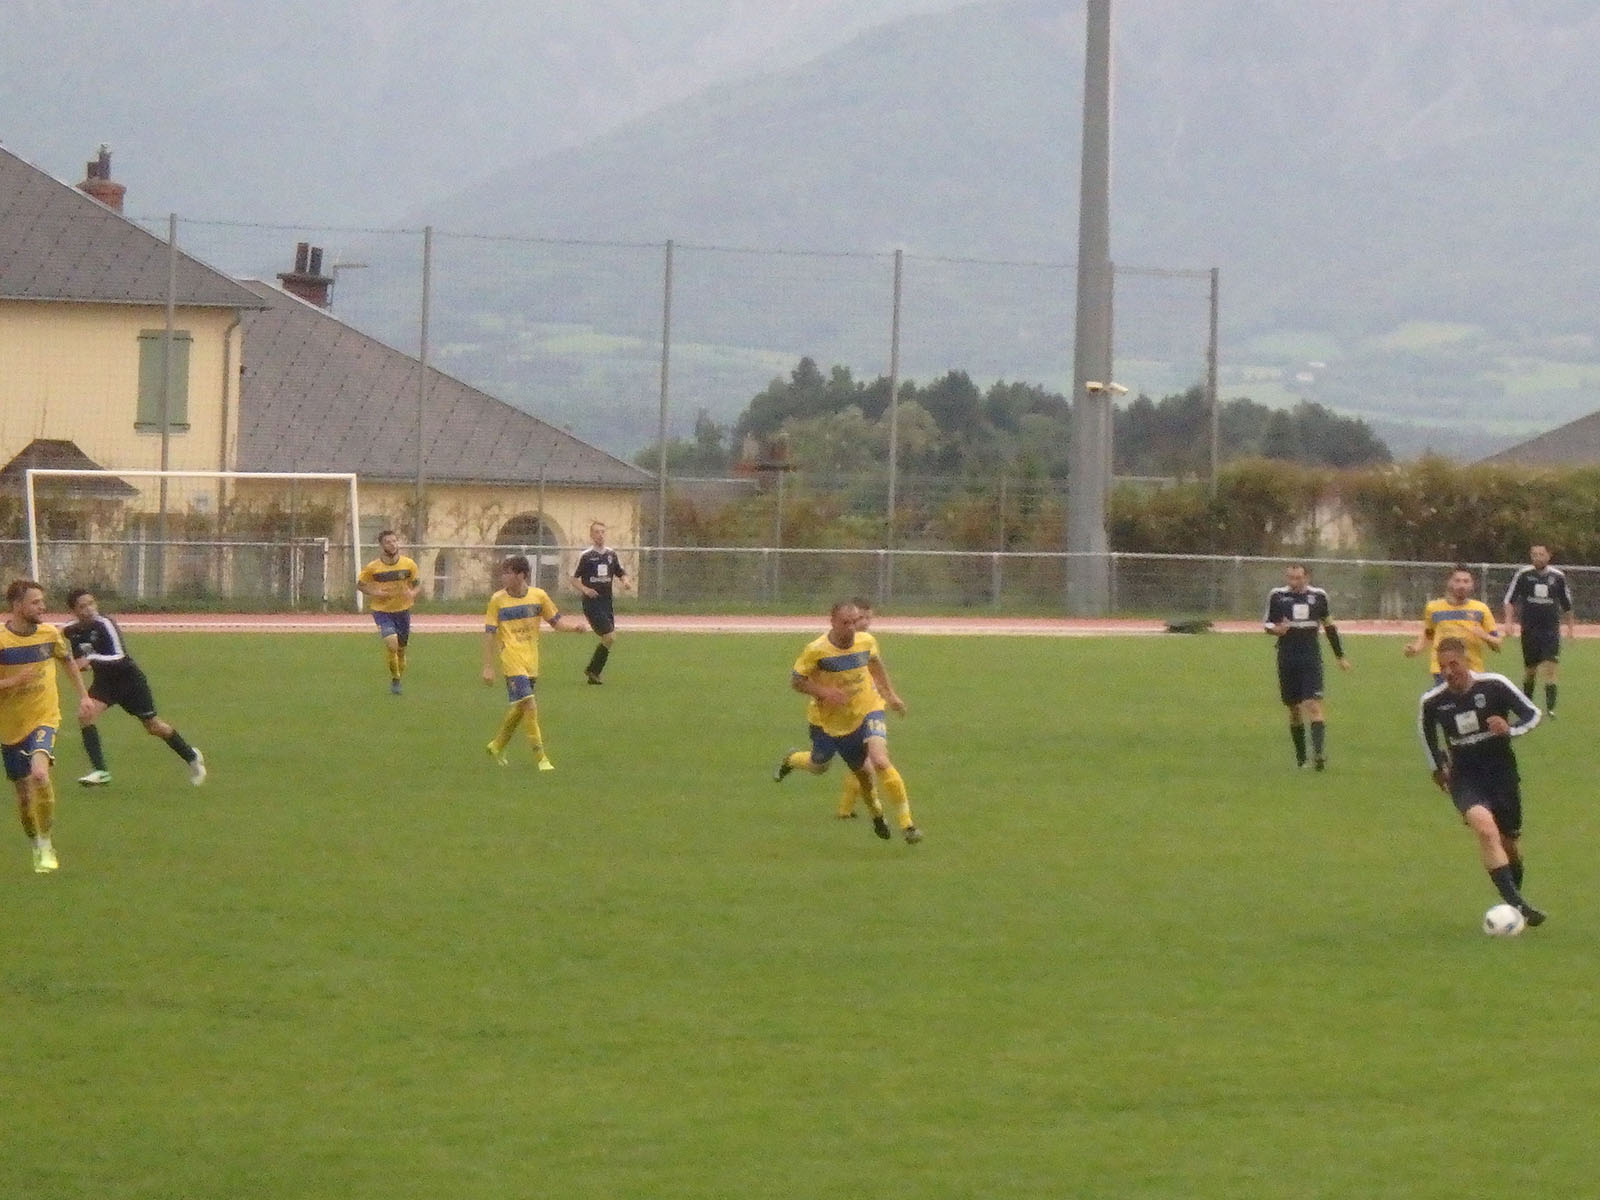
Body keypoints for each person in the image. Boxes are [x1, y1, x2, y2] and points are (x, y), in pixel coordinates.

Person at [1418, 636, 1546, 926]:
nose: (1448, 672)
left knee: (1509, 844)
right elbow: (1426, 735)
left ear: (1467, 660)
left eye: (1454, 664)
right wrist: (1437, 768)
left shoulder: (1494, 685)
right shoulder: (1433, 701)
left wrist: (1509, 729)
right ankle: (1520, 907)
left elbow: (1532, 714)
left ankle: (1512, 903)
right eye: (1442, 667)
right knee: (1486, 831)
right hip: (1465, 778)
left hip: (1502, 774)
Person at [774, 599, 921, 844]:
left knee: (879, 761)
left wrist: (890, 695)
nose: (852, 628)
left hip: (868, 709)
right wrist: (824, 692)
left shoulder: (866, 641)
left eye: (855, 622)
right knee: (820, 766)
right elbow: (796, 681)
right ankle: (791, 760)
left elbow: (876, 665)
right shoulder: (816, 650)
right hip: (832, 722)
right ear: (832, 621)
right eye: (845, 623)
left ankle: (907, 825)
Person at [62, 590, 206, 787]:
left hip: (130, 681)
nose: (89, 609)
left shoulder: (105, 624)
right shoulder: (71, 630)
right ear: (73, 611)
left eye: (91, 603)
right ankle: (101, 771)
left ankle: (192, 756)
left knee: (153, 726)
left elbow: (119, 656)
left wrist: (90, 659)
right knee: (85, 715)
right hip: (105, 683)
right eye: (82, 606)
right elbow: (78, 658)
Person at [0, 580, 92, 873]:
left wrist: (84, 696)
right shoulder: (2, 641)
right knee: (24, 798)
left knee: (40, 774)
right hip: (10, 725)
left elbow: (67, 661)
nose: (43, 607)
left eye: (42, 601)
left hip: (45, 717)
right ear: (17, 606)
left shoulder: (50, 634)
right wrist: (15, 681)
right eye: (35, 602)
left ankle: (46, 841)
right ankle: (36, 842)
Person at [483, 554, 588, 769]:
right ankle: (541, 758)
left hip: (531, 660)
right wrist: (488, 666)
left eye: (508, 573)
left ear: (521, 575)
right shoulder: (497, 600)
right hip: (511, 658)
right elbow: (490, 633)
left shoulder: (538, 596)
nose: (504, 577)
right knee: (530, 704)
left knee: (521, 707)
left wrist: (574, 628)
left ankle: (497, 745)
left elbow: (556, 623)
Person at [1263, 564, 1352, 770]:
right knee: (1294, 709)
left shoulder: (1319, 597)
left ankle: (1318, 754)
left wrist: (1340, 656)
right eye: (1290, 578)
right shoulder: (1277, 596)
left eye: (1298, 578)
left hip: (1310, 657)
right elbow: (1267, 624)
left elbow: (1329, 627)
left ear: (1307, 577)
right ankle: (1301, 758)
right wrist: (1277, 630)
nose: (1293, 582)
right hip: (1287, 657)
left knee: (1312, 704)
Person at [1501, 544, 1576, 718]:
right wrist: (1508, 622)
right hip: (1530, 629)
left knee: (1551, 667)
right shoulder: (1523, 575)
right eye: (1534, 554)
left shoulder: (1558, 577)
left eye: (1541, 554)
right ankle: (1528, 706)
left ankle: (1551, 709)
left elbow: (1567, 605)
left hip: (1550, 630)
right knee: (1530, 670)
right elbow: (1509, 600)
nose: (1537, 557)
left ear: (1549, 555)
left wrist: (1570, 629)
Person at [1404, 565, 1501, 681]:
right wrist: (1416, 648)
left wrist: (1484, 635)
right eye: (1457, 581)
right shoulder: (1433, 608)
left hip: (1472, 671)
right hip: (1442, 670)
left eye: (1466, 581)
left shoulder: (1481, 609)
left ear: (1472, 585)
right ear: (1449, 583)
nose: (1461, 585)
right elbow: (1429, 634)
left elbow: (1497, 645)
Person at [357, 530, 421, 695]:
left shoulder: (408, 564)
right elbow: (361, 585)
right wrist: (375, 592)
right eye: (388, 542)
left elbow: (417, 584)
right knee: (392, 643)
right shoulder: (373, 567)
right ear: (381, 546)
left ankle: (397, 677)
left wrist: (412, 593)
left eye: (394, 541)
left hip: (402, 611)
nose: (392, 545)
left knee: (401, 649)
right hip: (382, 611)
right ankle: (396, 679)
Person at [572, 521, 627, 684]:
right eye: (597, 532)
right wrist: (585, 589)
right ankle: (593, 671)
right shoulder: (586, 556)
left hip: (606, 602)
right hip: (592, 603)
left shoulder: (611, 554)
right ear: (591, 535)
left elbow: (620, 572)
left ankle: (593, 672)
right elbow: (573, 579)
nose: (600, 535)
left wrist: (625, 581)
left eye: (603, 532)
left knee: (609, 638)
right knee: (609, 636)